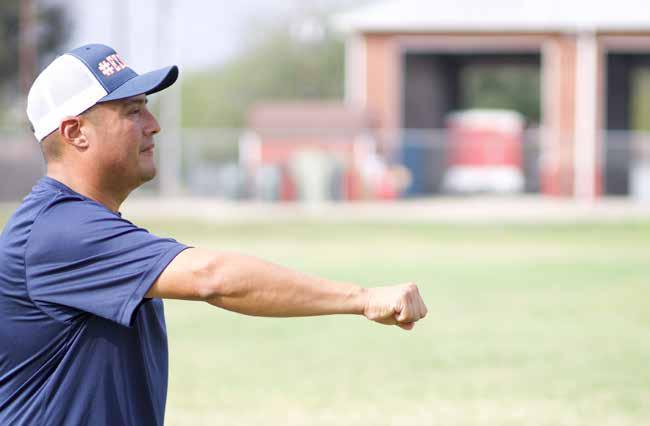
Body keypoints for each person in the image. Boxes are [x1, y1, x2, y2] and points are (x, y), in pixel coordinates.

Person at [0, 44, 427, 426]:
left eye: (146, 107)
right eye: (132, 111)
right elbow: (211, 277)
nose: (153, 124)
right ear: (75, 132)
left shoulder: (77, 224)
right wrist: (363, 298)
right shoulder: (58, 230)